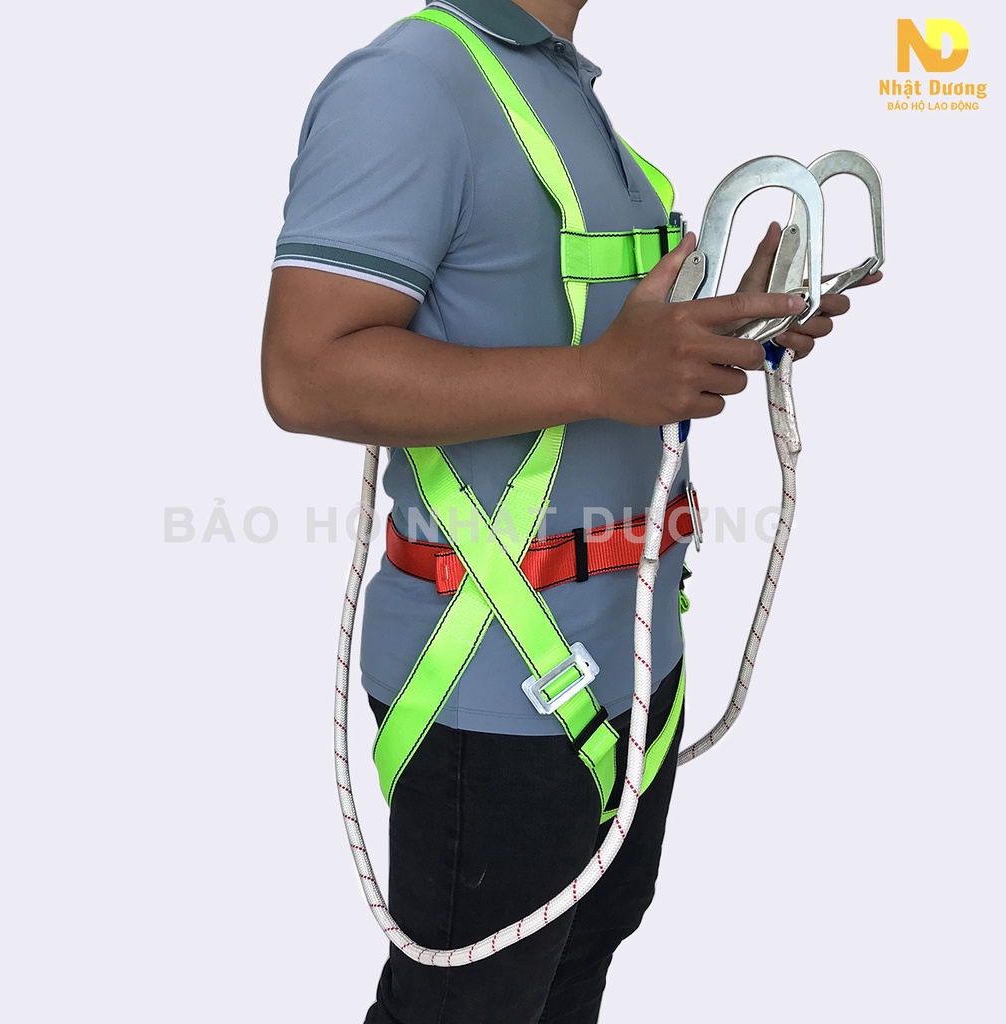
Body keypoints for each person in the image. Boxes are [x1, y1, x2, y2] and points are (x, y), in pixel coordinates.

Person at [261, 2, 880, 1021]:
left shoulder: (558, 92)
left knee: (571, 977)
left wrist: (734, 333)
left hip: (634, 661)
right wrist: (602, 374)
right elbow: (304, 373)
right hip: (498, 683)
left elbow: (608, 352)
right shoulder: (410, 85)